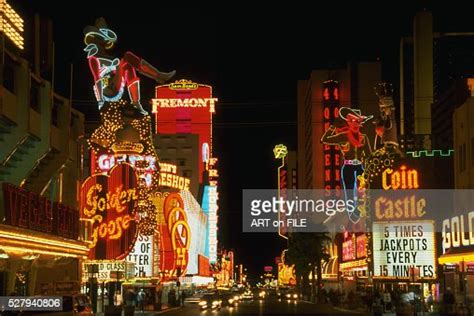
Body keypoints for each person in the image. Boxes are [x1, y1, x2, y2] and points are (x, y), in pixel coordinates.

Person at [83, 18, 175, 116]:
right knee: (127, 57)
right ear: (95, 40)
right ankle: (158, 75)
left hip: (115, 82)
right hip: (108, 89)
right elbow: (97, 79)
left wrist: (117, 65)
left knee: (128, 65)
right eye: (100, 39)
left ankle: (136, 102)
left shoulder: (107, 57)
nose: (103, 42)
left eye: (104, 39)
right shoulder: (93, 58)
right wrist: (100, 102)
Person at [321, 107, 373, 224]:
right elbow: (324, 139)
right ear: (348, 122)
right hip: (348, 167)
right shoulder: (343, 136)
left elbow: (369, 155)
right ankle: (353, 216)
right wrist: (333, 127)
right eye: (352, 121)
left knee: (362, 191)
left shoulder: (363, 138)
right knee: (349, 193)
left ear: (360, 123)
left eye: (357, 121)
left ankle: (359, 212)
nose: (355, 123)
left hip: (360, 167)